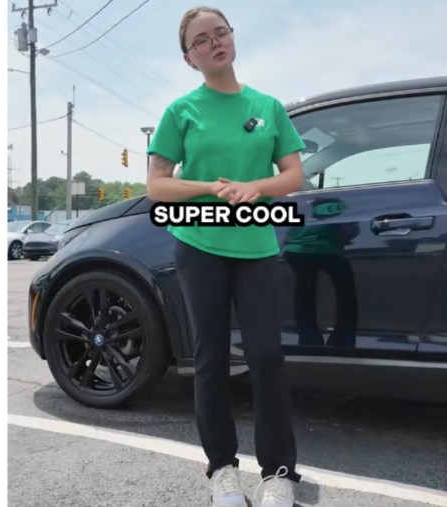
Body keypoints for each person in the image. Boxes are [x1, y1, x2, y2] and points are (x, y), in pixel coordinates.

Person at [146, 6, 306, 507]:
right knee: (211, 357)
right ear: (189, 58)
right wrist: (210, 189)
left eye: (221, 33)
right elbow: (156, 186)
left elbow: (293, 176)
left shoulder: (268, 106)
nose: (215, 43)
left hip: (255, 244)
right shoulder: (181, 111)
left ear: (232, 39)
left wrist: (255, 186)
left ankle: (278, 474)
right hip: (199, 242)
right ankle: (222, 471)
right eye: (202, 40)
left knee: (266, 357)